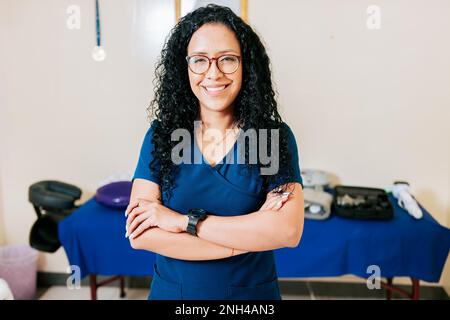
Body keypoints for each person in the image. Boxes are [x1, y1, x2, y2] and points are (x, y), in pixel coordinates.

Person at [125, 4, 304, 300]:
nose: (213, 73)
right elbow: (141, 234)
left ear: (246, 65)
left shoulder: (270, 138)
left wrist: (182, 222)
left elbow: (286, 230)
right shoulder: (162, 137)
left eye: (227, 59)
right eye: (199, 60)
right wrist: (245, 240)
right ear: (185, 68)